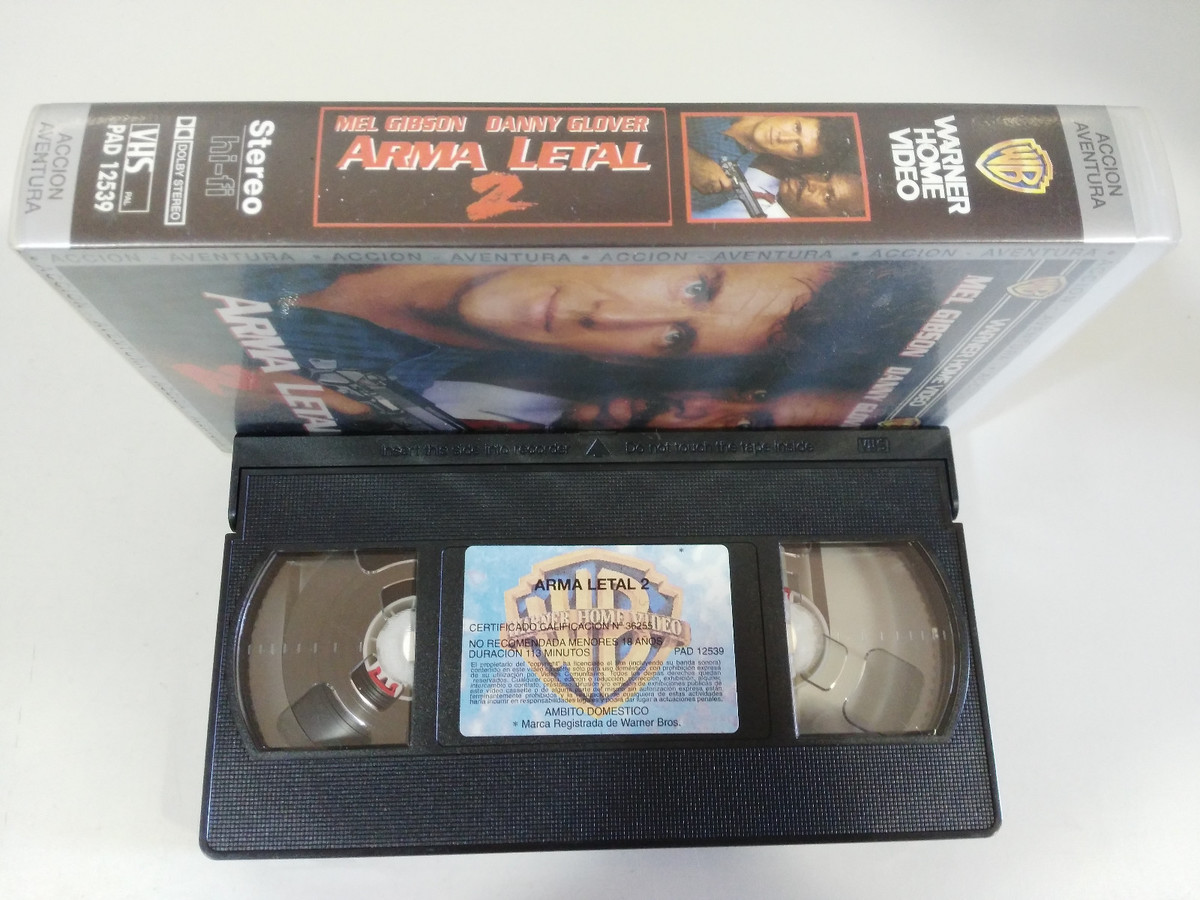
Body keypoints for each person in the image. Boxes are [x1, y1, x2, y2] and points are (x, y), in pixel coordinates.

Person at [685, 113, 858, 212]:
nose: (784, 137)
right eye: (796, 127)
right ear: (792, 113)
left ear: (790, 158)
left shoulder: (720, 182)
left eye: (797, 147)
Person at [692, 168, 866, 220]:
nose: (812, 182)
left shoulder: (752, 227)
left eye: (828, 197)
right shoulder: (772, 179)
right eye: (825, 175)